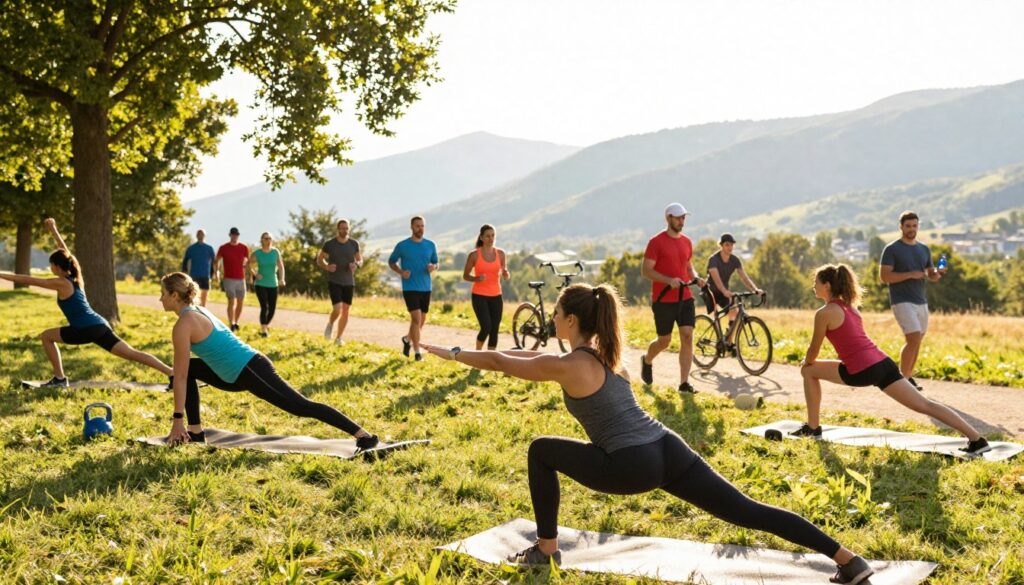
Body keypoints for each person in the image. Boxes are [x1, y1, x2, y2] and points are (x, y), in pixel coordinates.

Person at [422, 283, 875, 585]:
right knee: (745, 510)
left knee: (541, 450)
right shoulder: (605, 351)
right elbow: (519, 352)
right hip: (667, 448)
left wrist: (456, 353)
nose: (553, 319)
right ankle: (847, 560)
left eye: (557, 313)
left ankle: (546, 550)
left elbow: (505, 362)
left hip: (630, 464)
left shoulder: (571, 365)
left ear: (571, 320)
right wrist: (473, 350)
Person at [159, 272, 378, 448]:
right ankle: (196, 432)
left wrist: (178, 421)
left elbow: (178, 376)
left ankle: (362, 435)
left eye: (163, 294)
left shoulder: (184, 324)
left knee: (300, 406)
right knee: (191, 370)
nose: (160, 299)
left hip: (250, 369)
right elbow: (182, 373)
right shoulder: (197, 310)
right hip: (233, 374)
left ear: (174, 296)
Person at [795, 263, 990, 455]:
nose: (814, 285)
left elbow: (813, 352)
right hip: (883, 364)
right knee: (924, 404)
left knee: (808, 370)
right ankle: (976, 439)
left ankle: (813, 428)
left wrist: (806, 360)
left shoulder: (824, 313)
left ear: (827, 285)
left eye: (816, 281)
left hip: (861, 371)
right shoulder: (851, 308)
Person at [0, 218, 172, 386]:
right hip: (99, 324)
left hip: (85, 328)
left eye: (52, 265)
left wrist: (2, 275)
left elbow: (28, 279)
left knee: (46, 336)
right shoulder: (76, 277)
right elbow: (66, 252)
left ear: (57, 267)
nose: (50, 268)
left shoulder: (60, 283)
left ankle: (59, 378)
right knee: (132, 353)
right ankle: (171, 372)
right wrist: (54, 230)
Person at [640, 202, 705, 394]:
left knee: (687, 336)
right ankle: (647, 360)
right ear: (668, 218)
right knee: (664, 341)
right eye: (678, 217)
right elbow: (646, 271)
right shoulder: (656, 242)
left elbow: (688, 266)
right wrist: (668, 280)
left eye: (684, 217)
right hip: (663, 300)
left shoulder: (686, 242)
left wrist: (695, 277)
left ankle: (684, 384)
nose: (682, 221)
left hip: (685, 297)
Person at [879, 211, 945, 391]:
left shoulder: (923, 249)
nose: (911, 229)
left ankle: (907, 377)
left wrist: (938, 274)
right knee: (913, 338)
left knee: (917, 340)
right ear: (901, 227)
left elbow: (931, 275)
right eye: (907, 226)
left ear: (918, 226)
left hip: (920, 301)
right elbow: (884, 276)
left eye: (914, 226)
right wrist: (910, 274)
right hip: (901, 300)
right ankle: (903, 379)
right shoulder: (892, 249)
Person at [388, 216, 438, 361]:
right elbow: (391, 261)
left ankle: (407, 339)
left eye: (422, 226)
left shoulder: (430, 245)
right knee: (416, 318)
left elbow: (435, 262)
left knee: (421, 320)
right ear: (411, 227)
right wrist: (401, 272)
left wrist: (432, 267)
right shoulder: (402, 246)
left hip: (425, 287)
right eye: (417, 226)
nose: (420, 229)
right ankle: (417, 352)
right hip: (410, 287)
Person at [707, 233, 762, 350]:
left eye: (731, 245)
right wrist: (724, 291)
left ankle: (728, 342)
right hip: (711, 291)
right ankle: (719, 339)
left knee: (735, 311)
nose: (730, 247)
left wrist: (755, 289)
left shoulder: (735, 260)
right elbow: (716, 278)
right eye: (727, 245)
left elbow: (744, 277)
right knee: (717, 316)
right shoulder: (713, 259)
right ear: (721, 245)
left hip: (724, 292)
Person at [462, 224, 509, 350]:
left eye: (493, 235)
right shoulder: (474, 255)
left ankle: (490, 358)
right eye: (487, 236)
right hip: (479, 296)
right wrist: (476, 278)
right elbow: (465, 276)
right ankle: (478, 353)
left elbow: (505, 274)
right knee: (486, 327)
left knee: (495, 328)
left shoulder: (501, 254)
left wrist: (505, 274)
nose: (491, 238)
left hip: (496, 295)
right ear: (481, 237)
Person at [317, 219, 363, 345]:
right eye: (342, 228)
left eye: (346, 228)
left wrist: (356, 265)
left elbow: (360, 259)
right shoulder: (330, 244)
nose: (344, 230)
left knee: (346, 310)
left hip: (349, 281)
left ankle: (338, 338)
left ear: (349, 229)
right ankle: (330, 324)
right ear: (338, 229)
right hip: (334, 280)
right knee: (337, 309)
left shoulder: (354, 244)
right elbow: (319, 259)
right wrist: (327, 266)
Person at [249, 232, 285, 338]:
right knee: (264, 306)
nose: (268, 240)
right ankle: (264, 330)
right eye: (266, 238)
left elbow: (281, 266)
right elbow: (247, 264)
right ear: (262, 240)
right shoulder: (257, 253)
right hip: (260, 284)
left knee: (272, 308)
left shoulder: (275, 252)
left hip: (273, 284)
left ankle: (265, 325)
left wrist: (282, 278)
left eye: (270, 238)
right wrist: (255, 274)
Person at [215, 227, 249, 332]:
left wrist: (247, 269)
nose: (235, 236)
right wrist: (217, 272)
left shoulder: (244, 248)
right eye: (233, 235)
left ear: (238, 236)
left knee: (240, 301)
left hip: (241, 279)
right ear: (230, 235)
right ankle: (231, 323)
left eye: (236, 235)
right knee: (231, 301)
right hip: (228, 279)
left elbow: (248, 261)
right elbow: (216, 261)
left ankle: (236, 321)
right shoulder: (223, 248)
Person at [181, 229, 216, 307]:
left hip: (205, 275)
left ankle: (203, 308)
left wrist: (213, 273)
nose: (200, 235)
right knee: (193, 292)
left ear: (204, 236)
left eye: (202, 234)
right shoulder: (191, 248)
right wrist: (184, 272)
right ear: (196, 236)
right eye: (199, 234)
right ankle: (194, 308)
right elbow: (185, 261)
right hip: (194, 274)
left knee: (204, 293)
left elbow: (214, 262)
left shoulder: (209, 248)